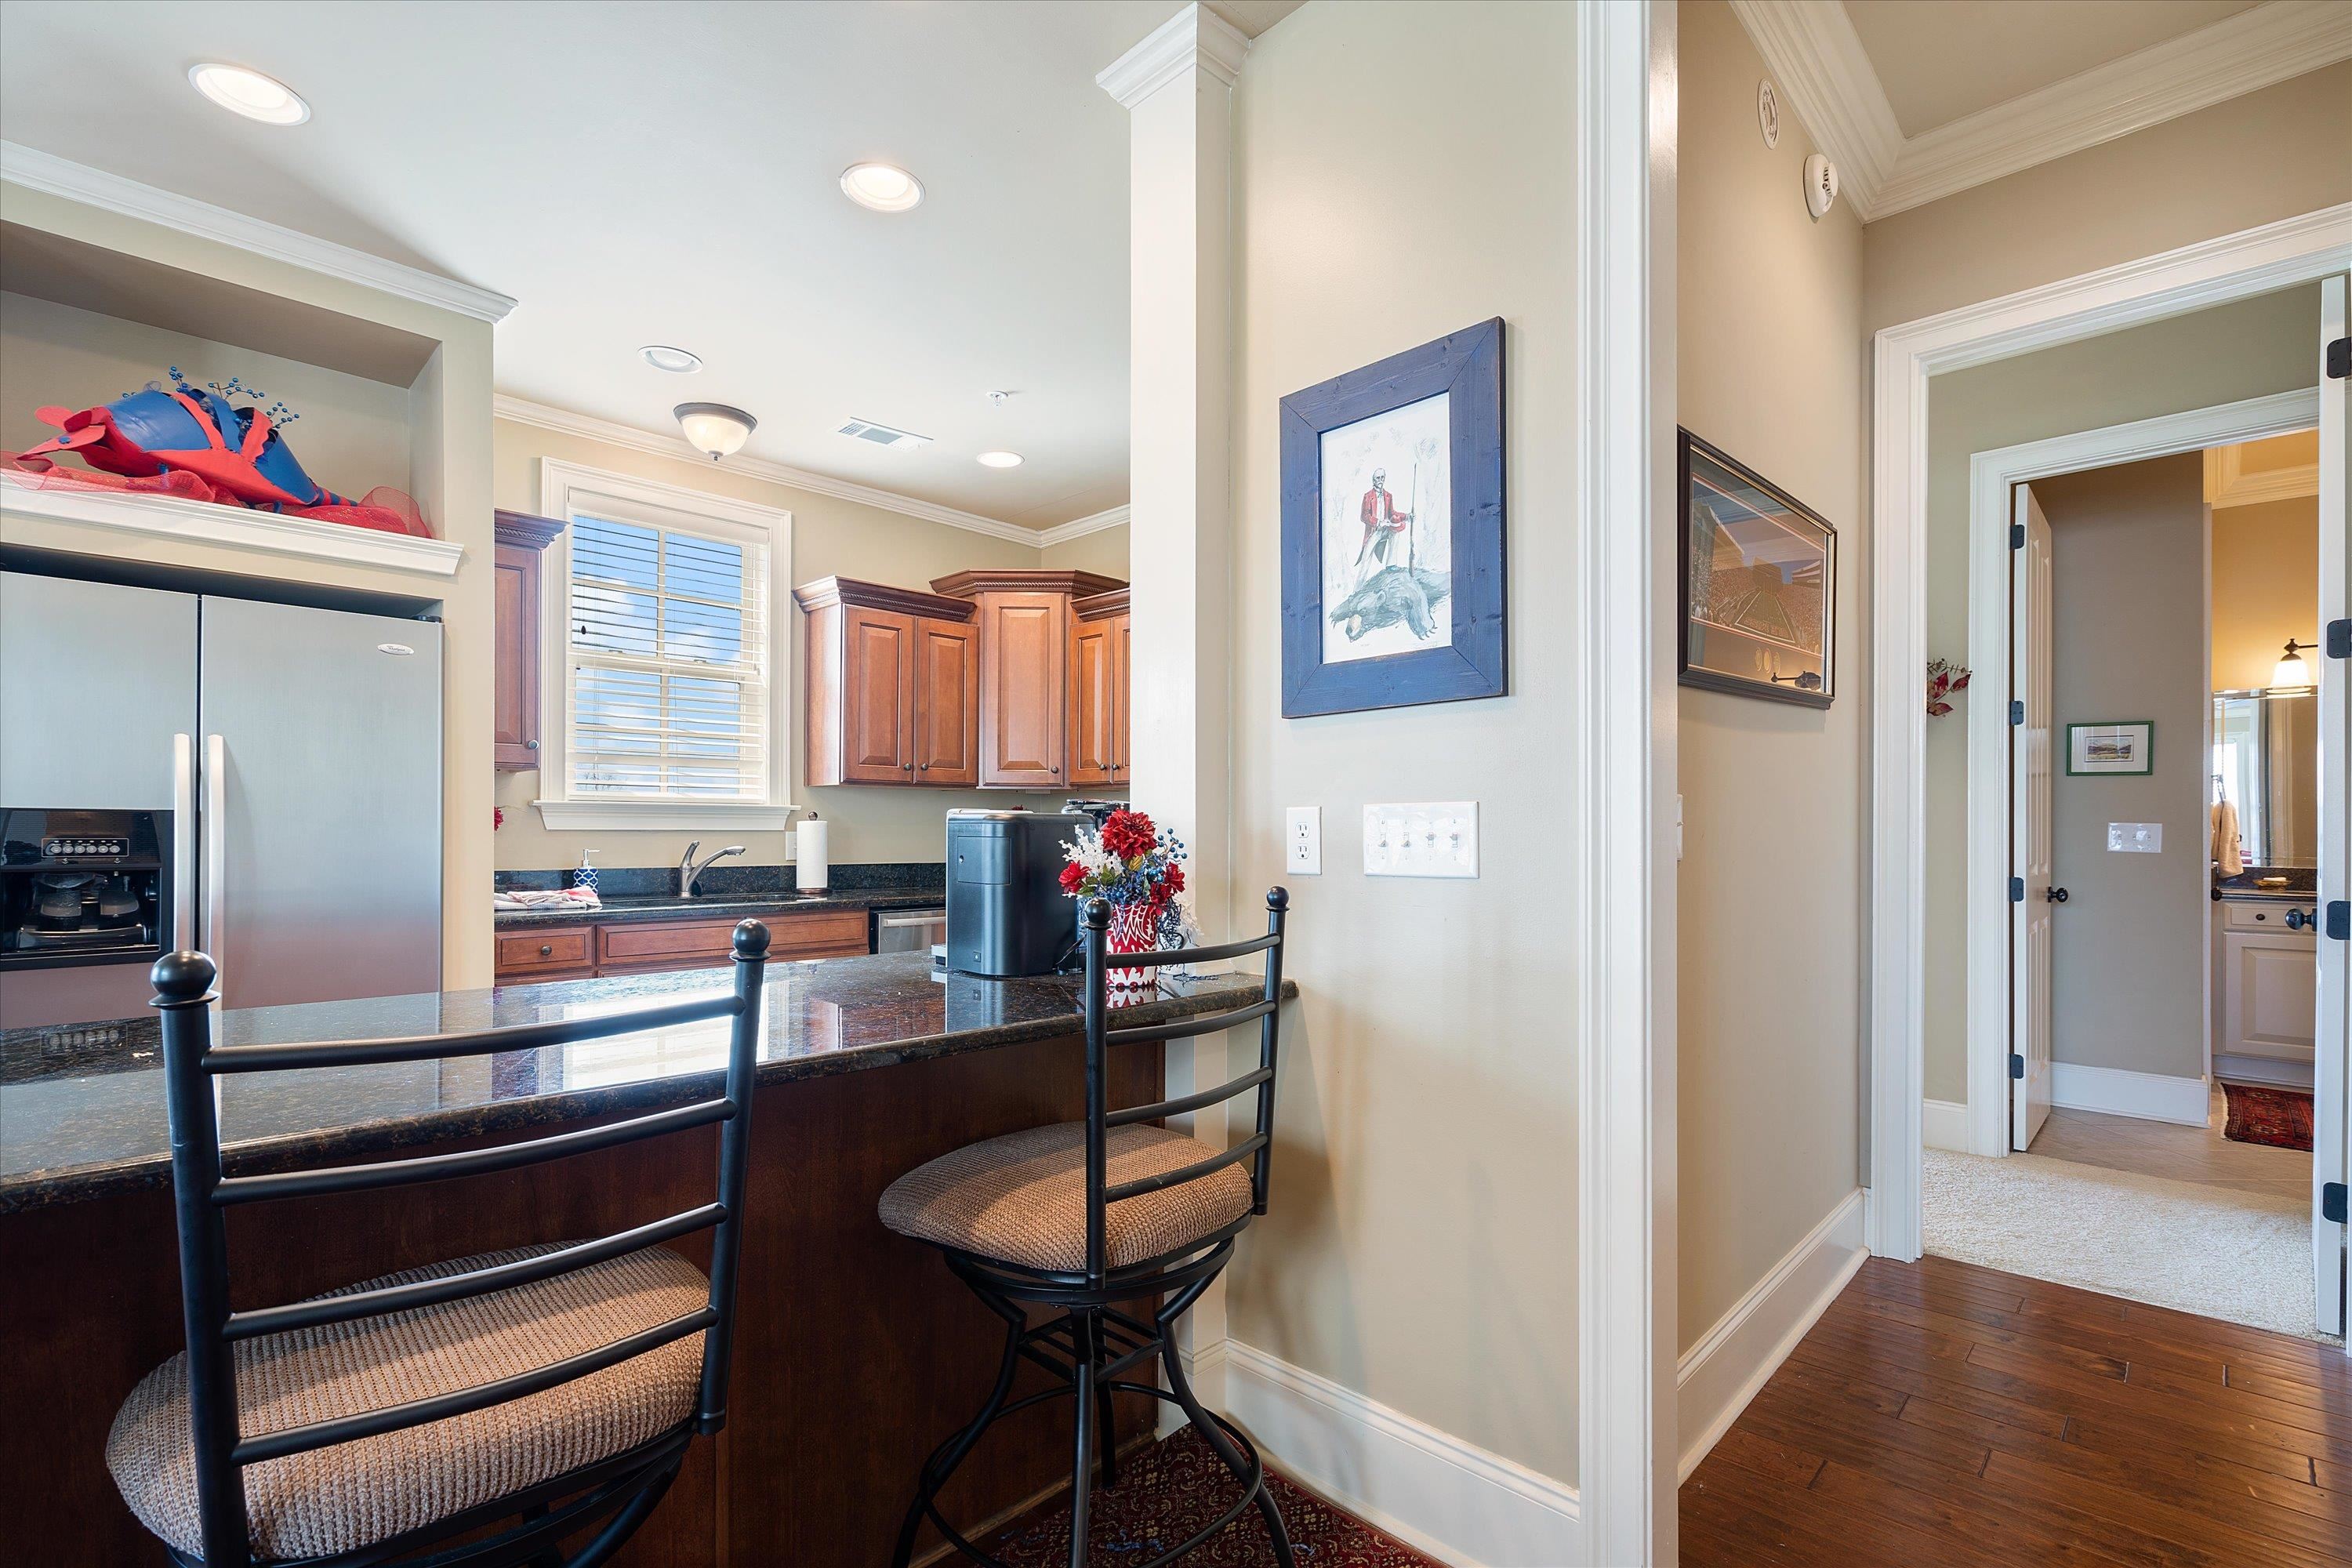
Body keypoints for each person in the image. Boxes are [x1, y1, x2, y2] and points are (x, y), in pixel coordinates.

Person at [1354, 468, 1412, 571]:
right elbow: (1364, 516)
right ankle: (1360, 584)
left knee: (1395, 533)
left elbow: (1392, 513)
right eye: (1378, 478)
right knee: (1365, 562)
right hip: (1374, 532)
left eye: (1382, 478)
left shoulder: (1388, 496)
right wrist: (1378, 522)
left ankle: (1391, 565)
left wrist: (1407, 516)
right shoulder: (1368, 496)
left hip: (1385, 530)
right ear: (1374, 480)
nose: (1380, 480)